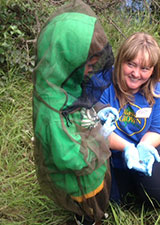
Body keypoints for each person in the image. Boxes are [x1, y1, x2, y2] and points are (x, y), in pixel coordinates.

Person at [32, 1, 118, 224]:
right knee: (90, 212)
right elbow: (67, 156)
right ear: (67, 62)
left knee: (100, 200)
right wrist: (100, 142)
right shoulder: (51, 109)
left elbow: (81, 107)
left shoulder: (68, 84)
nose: (91, 72)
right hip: (82, 183)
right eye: (88, 65)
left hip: (93, 173)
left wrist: (99, 113)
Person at [99, 32, 160, 208]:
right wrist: (126, 147)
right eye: (131, 64)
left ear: (153, 70)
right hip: (107, 147)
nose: (136, 73)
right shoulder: (103, 83)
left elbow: (157, 131)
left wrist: (143, 147)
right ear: (121, 61)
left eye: (144, 68)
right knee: (109, 201)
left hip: (144, 146)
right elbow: (98, 130)